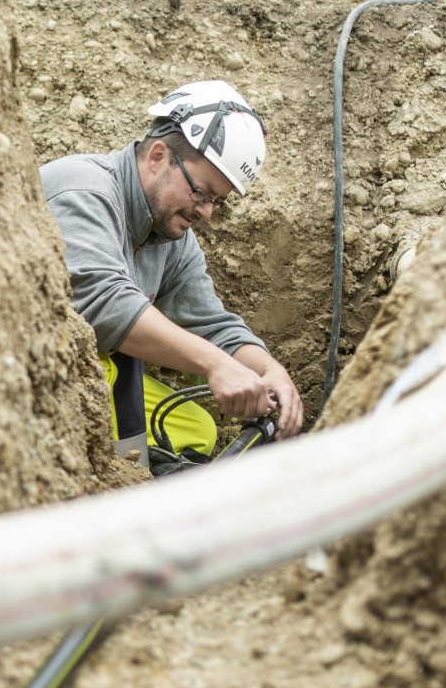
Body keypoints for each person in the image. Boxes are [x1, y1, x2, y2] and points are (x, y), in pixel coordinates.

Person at [40, 80, 303, 471]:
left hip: (97, 370)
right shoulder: (82, 190)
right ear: (158, 156)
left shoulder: (171, 235)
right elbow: (103, 303)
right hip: (31, 367)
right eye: (201, 192)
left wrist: (268, 369)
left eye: (218, 202)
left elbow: (211, 324)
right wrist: (217, 366)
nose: (207, 212)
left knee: (194, 430)